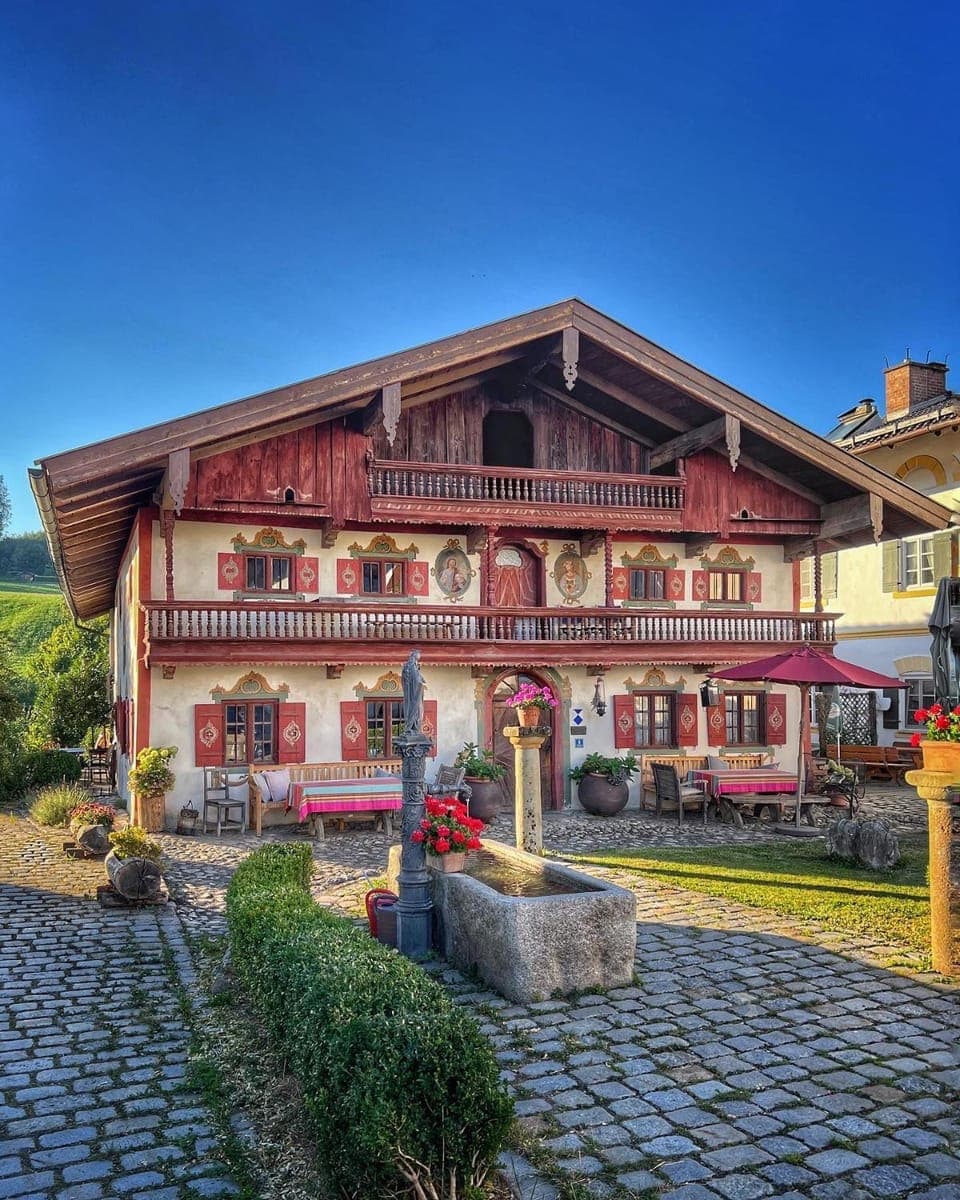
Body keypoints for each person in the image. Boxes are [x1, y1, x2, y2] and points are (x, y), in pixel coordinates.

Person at [401, 649, 425, 734]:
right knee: (414, 708)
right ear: (415, 655)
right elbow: (415, 679)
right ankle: (411, 726)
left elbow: (416, 677)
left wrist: (420, 678)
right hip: (413, 693)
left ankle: (414, 726)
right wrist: (420, 682)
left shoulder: (413, 665)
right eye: (418, 654)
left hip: (414, 691)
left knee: (416, 710)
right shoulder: (411, 666)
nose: (420, 656)